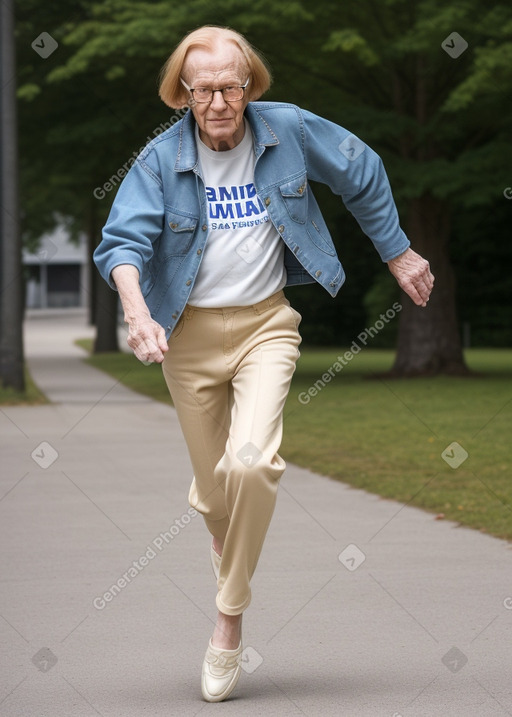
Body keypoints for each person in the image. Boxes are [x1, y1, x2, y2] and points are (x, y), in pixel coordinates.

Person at [93, 24, 434, 703]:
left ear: (249, 85)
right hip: (185, 341)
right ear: (181, 92)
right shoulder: (161, 160)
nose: (219, 101)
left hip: (265, 326)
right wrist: (136, 311)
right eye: (203, 89)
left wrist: (397, 251)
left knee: (251, 463)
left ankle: (228, 622)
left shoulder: (289, 130)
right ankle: (215, 502)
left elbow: (360, 168)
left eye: (231, 86)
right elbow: (120, 244)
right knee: (220, 496)